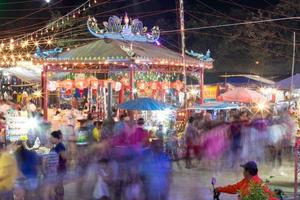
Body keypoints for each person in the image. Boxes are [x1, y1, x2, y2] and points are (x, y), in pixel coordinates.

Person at [50, 130, 67, 200]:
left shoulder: (60, 146)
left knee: (59, 185)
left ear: (56, 138)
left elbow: (64, 157)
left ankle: (60, 198)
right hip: (57, 169)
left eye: (51, 138)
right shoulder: (57, 146)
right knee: (58, 186)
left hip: (60, 169)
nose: (50, 139)